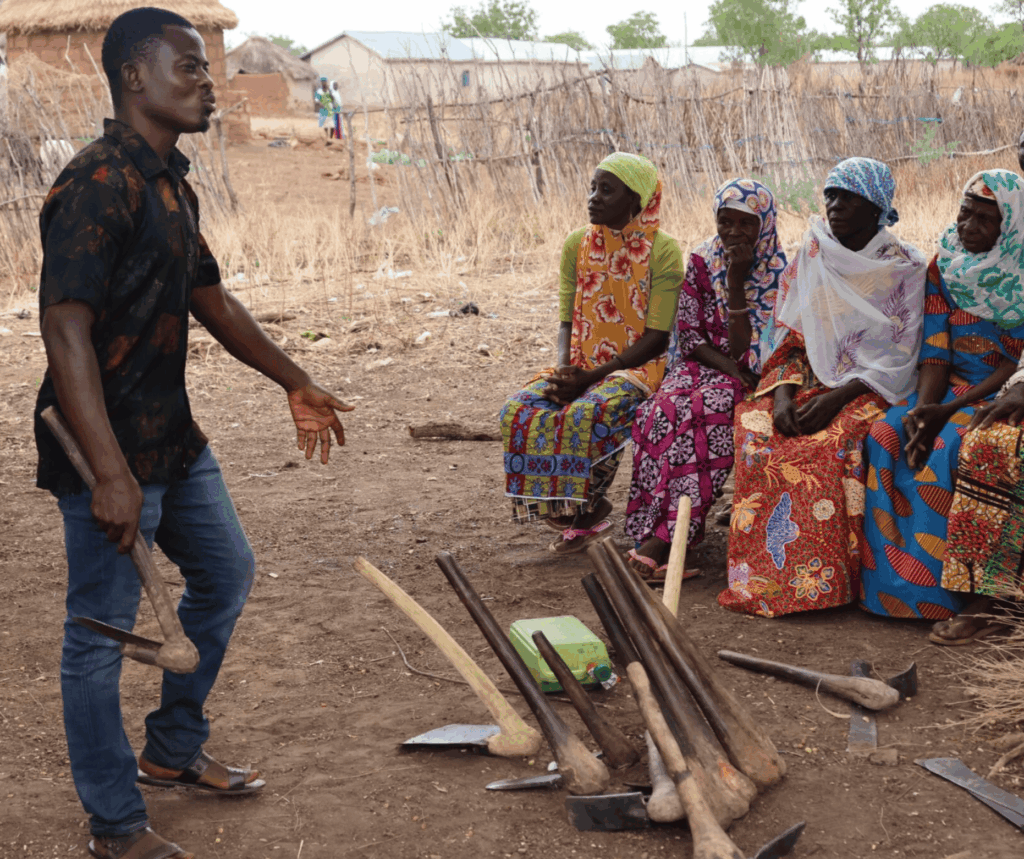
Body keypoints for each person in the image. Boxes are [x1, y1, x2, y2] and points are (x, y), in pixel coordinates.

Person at [34, 10, 352, 859]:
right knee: (98, 632)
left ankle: (171, 751)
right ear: (135, 78)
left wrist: (296, 378)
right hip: (100, 443)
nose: (208, 81)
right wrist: (107, 473)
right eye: (189, 67)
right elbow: (64, 330)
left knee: (226, 572)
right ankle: (115, 823)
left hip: (171, 436)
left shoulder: (171, 184)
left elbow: (210, 300)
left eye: (207, 69)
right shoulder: (97, 183)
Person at [720, 157, 927, 617]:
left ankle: (824, 582)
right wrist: (782, 396)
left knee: (834, 443)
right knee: (760, 435)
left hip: (871, 386)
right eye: (830, 195)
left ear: (876, 207)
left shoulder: (906, 267)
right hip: (808, 377)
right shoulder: (812, 254)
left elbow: (899, 356)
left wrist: (836, 398)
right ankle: (763, 578)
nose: (834, 206)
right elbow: (789, 339)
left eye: (847, 198)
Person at [860, 170, 1024, 627]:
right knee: (887, 434)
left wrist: (947, 412)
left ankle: (945, 596)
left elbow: (1013, 365)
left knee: (951, 444)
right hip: (947, 386)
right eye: (964, 214)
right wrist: (921, 410)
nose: (968, 227)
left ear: (1009, 226)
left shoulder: (1022, 270)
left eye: (985, 220)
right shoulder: (943, 266)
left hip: (1001, 389)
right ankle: (891, 591)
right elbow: (935, 352)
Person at [499, 152, 682, 554]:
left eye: (606, 190)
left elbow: (658, 337)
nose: (593, 197)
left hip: (639, 367)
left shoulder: (663, 251)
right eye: (593, 187)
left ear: (636, 200)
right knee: (519, 409)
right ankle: (560, 505)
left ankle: (589, 508)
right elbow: (567, 319)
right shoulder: (577, 245)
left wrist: (593, 378)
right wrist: (566, 373)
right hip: (583, 363)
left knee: (590, 412)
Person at [624, 178, 785, 581]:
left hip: (752, 373)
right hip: (705, 365)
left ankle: (669, 541)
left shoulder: (781, 273)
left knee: (705, 412)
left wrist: (735, 282)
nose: (733, 232)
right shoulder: (699, 260)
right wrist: (726, 369)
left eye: (745, 224)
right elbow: (691, 337)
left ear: (764, 224)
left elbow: (752, 352)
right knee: (658, 410)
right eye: (724, 221)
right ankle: (652, 530)